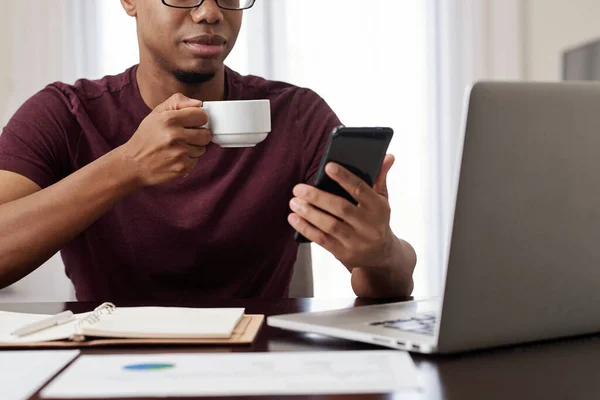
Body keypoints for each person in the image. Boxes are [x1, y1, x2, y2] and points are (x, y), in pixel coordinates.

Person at [0, 0, 416, 301]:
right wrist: (127, 165)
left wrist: (380, 253)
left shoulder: (297, 115)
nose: (210, 12)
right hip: (109, 365)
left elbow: (385, 284)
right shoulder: (64, 114)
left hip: (260, 367)